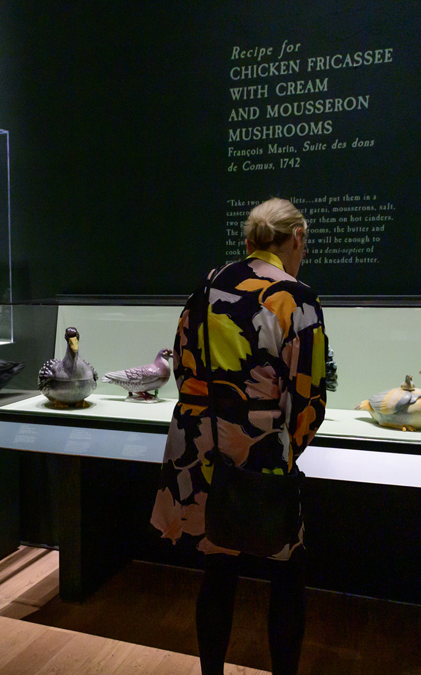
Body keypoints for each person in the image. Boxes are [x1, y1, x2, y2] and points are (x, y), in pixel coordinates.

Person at [151, 198, 328, 675]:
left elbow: (183, 362)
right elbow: (309, 398)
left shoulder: (209, 283)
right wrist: (284, 446)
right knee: (288, 572)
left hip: (204, 447)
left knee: (218, 569)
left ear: (248, 242)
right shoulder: (297, 297)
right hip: (260, 449)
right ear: (297, 239)